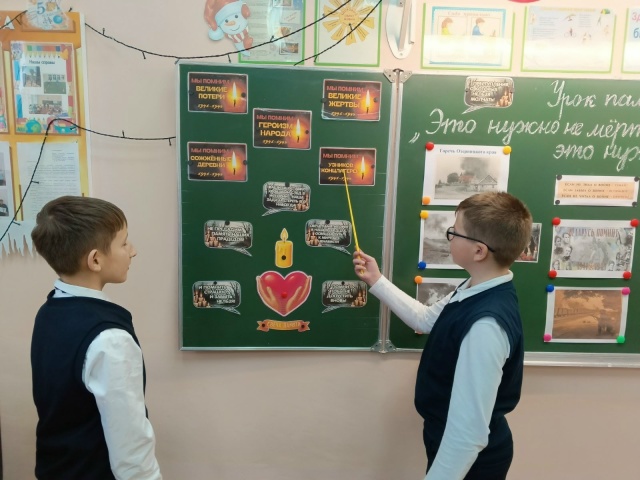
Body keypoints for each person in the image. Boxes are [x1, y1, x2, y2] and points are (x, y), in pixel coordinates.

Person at [353, 191, 532, 480]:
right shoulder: (475, 288)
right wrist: (377, 280)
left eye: (455, 232)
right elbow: (425, 319)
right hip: (451, 445)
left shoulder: (485, 326)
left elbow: (467, 434)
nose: (449, 237)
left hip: (472, 462)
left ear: (479, 251)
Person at [30, 196, 162, 480]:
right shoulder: (110, 339)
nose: (133, 251)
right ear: (96, 260)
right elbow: (131, 450)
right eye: (124, 243)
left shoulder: (50, 310)